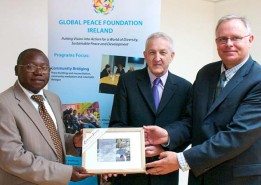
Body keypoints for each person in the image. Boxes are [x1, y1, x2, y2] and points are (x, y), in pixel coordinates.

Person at [145, 15, 261, 185]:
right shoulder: (206, 73)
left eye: (235, 38)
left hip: (237, 179)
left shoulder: (257, 80)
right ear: (216, 42)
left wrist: (181, 160)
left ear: (250, 40)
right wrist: (168, 135)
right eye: (222, 39)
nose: (228, 44)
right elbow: (191, 120)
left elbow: (237, 136)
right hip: (200, 178)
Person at [108, 32, 192, 185]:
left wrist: (164, 145)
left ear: (172, 56)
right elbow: (116, 124)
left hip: (165, 172)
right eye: (152, 52)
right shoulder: (127, 81)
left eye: (163, 52)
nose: (157, 58)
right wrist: (138, 148)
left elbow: (188, 126)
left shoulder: (185, 87)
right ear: (145, 55)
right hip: (129, 173)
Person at [0, 48, 92, 185]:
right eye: (30, 67)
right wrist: (65, 173)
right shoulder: (4, 104)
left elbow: (51, 138)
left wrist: (73, 141)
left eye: (44, 67)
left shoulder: (53, 98)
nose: (38, 72)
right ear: (16, 70)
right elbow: (12, 157)